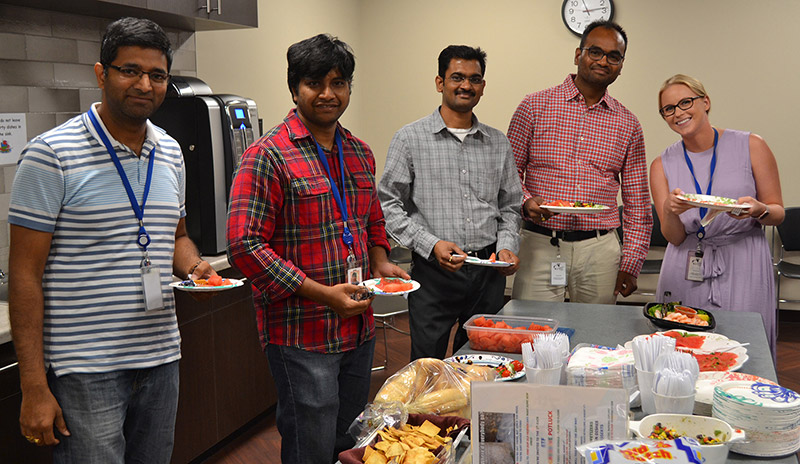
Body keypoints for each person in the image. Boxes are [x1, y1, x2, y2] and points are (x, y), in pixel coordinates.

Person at [8, 17, 216, 463]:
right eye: (130, 70)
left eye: (157, 75)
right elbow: (25, 276)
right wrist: (34, 386)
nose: (145, 84)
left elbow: (175, 236)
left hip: (161, 357)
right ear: (102, 74)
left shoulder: (171, 150)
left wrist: (196, 267)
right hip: (85, 369)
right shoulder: (51, 154)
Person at [226, 33, 409, 464]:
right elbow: (244, 246)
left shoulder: (359, 153)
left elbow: (372, 219)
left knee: (349, 439)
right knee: (310, 444)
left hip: (358, 328)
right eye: (314, 83)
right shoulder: (267, 156)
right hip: (301, 334)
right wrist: (321, 293)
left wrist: (381, 259)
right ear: (295, 88)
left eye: (338, 82)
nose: (328, 94)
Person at [378, 45, 523, 360]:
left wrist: (508, 245)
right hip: (433, 273)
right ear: (439, 82)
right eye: (457, 77)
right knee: (427, 363)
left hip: (488, 272)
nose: (466, 85)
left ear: (482, 86)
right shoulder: (410, 139)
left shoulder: (498, 142)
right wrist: (431, 244)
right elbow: (387, 206)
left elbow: (511, 205)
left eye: (475, 79)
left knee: (483, 361)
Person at [507, 20, 652, 304]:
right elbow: (508, 173)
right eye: (595, 52)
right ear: (578, 54)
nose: (603, 61)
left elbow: (637, 202)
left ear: (621, 65)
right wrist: (526, 201)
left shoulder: (628, 124)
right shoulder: (534, 106)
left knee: (596, 336)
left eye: (614, 56)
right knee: (534, 333)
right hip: (539, 243)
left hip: (600, 249)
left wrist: (631, 263)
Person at [650, 74, 784, 354]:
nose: (679, 113)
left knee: (745, 347)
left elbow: (777, 212)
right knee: (684, 351)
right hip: (685, 265)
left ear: (706, 102)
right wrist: (669, 211)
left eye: (686, 102)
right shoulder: (661, 164)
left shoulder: (751, 145)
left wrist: (759, 211)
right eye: (669, 109)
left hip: (743, 259)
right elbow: (673, 237)